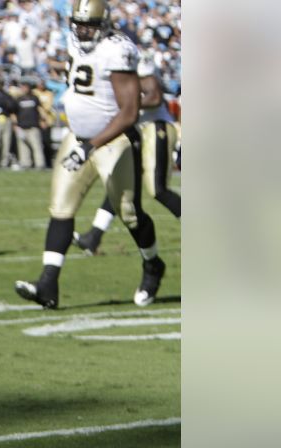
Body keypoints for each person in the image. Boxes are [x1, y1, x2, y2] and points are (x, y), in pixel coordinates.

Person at [14, 0, 165, 309]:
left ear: (105, 23)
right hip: (78, 137)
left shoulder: (117, 50)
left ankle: (153, 265)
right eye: (79, 24)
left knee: (130, 213)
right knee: (61, 208)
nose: (83, 31)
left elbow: (129, 112)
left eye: (90, 25)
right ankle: (48, 284)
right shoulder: (73, 40)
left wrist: (90, 145)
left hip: (114, 142)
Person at [74, 51, 181, 255]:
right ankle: (94, 237)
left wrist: (127, 105)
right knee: (122, 187)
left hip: (156, 128)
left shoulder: (130, 59)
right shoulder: (102, 63)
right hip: (140, 133)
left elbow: (155, 96)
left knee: (158, 190)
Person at [13, 80, 46, 171]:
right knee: (23, 147)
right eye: (23, 87)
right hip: (22, 126)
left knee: (37, 146)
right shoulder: (18, 99)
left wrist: (43, 120)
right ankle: (25, 163)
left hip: (33, 126)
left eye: (25, 87)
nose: (24, 89)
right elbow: (14, 113)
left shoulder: (34, 98)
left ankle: (40, 164)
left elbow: (40, 110)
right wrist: (15, 125)